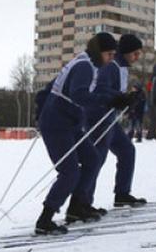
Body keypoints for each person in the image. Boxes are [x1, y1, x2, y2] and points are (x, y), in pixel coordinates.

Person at [35, 32, 117, 230]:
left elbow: (93, 91)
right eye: (109, 54)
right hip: (57, 123)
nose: (111, 59)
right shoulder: (84, 66)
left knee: (92, 159)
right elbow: (79, 95)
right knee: (69, 171)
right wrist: (110, 100)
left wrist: (119, 97)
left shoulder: (88, 64)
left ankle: (76, 207)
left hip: (69, 121)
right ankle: (45, 219)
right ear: (99, 52)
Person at [69, 33, 147, 212]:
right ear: (126, 52)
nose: (137, 57)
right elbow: (100, 89)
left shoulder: (122, 66)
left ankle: (122, 193)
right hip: (98, 117)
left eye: (139, 53)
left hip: (110, 118)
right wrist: (121, 98)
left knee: (127, 151)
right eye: (135, 53)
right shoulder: (111, 66)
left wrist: (131, 98)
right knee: (96, 158)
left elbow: (116, 92)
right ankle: (82, 201)